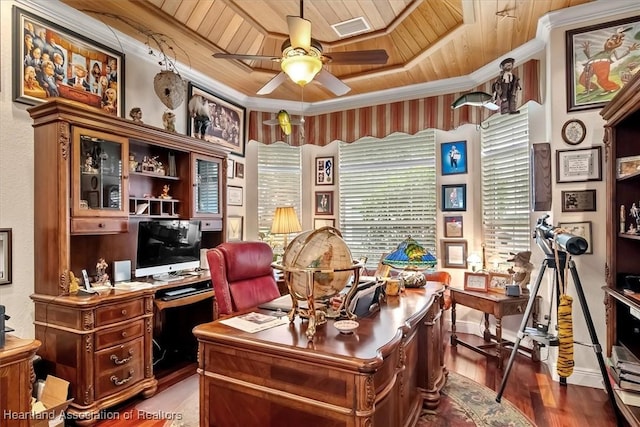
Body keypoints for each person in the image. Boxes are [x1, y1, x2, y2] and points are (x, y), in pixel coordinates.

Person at [579, 27, 639, 95]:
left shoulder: (612, 51)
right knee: (582, 80)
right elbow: (590, 57)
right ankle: (593, 87)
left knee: (602, 80)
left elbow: (618, 57)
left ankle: (614, 87)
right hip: (590, 64)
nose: (610, 42)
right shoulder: (601, 52)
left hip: (602, 64)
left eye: (613, 41)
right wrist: (586, 50)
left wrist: (628, 50)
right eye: (610, 40)